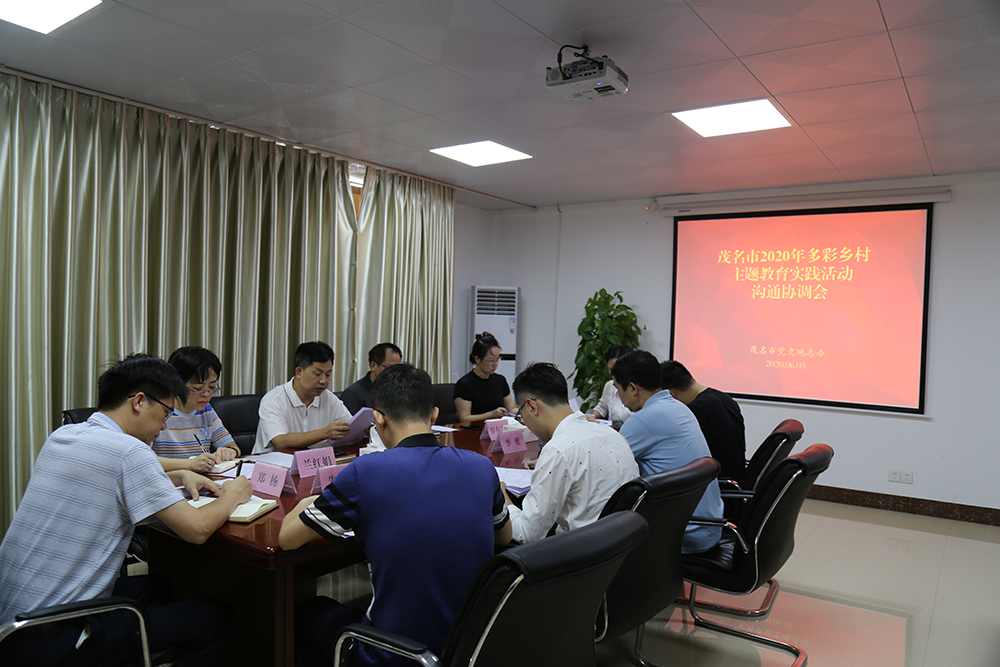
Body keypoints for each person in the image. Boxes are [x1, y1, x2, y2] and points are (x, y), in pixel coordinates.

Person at [0, 353, 252, 667]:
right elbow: (197, 529)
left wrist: (176, 474)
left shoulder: (64, 436)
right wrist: (233, 494)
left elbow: (110, 479)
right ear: (139, 402)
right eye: (165, 414)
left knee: (158, 585)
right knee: (214, 617)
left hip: (11, 622)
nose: (162, 428)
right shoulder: (130, 451)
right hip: (52, 636)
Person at [279, 363, 511, 667]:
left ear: (378, 419)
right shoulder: (481, 467)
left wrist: (307, 502)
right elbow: (504, 537)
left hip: (395, 653)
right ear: (434, 415)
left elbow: (286, 539)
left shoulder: (367, 472)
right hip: (471, 646)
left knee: (312, 612)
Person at [502, 362, 638, 544]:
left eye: (521, 416)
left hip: (579, 559)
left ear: (531, 406)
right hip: (618, 551)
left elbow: (527, 534)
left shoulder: (558, 450)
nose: (524, 421)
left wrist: (504, 499)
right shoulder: (613, 435)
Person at [612, 350, 724, 554]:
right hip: (709, 526)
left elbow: (605, 463)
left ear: (633, 388)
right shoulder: (679, 407)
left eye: (618, 389)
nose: (620, 399)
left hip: (684, 533)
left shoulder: (643, 419)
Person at [153, 346, 241, 473]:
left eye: (211, 387)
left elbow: (232, 446)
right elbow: (144, 459)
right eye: (198, 388)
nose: (206, 394)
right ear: (177, 383)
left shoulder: (206, 410)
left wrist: (229, 451)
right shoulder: (160, 412)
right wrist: (189, 464)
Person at [252, 341, 352, 454]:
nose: (324, 381)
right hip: (272, 467)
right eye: (317, 374)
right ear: (299, 372)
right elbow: (280, 441)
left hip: (313, 465)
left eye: (328, 375)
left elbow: (350, 426)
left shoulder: (329, 398)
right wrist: (324, 433)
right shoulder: (274, 400)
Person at [661, 360, 746, 480]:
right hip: (735, 477)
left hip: (717, 483)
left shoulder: (696, 411)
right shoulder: (724, 398)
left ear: (671, 394)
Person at [454, 331, 517, 422]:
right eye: (491, 360)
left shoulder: (500, 380)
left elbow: (511, 409)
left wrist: (525, 411)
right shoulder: (464, 384)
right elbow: (464, 418)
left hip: (498, 430)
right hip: (475, 431)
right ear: (477, 359)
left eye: (497, 359)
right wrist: (491, 414)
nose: (495, 364)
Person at [340, 342, 402, 414]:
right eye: (390, 368)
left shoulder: (397, 391)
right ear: (373, 366)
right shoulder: (353, 395)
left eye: (398, 368)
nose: (394, 373)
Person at [588, 344, 635, 429]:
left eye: (616, 370)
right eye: (610, 369)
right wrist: (591, 418)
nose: (613, 374)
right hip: (611, 435)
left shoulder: (635, 389)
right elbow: (602, 407)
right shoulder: (610, 386)